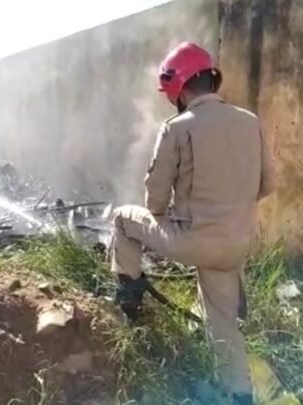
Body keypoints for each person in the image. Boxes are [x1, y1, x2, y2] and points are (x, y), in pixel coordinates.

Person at [110, 42, 276, 405]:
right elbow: (268, 185)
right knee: (223, 323)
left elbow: (154, 201)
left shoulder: (176, 128)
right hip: (235, 244)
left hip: (193, 242)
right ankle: (240, 395)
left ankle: (128, 303)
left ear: (178, 87)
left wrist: (175, 217)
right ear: (211, 79)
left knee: (123, 219)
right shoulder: (250, 122)